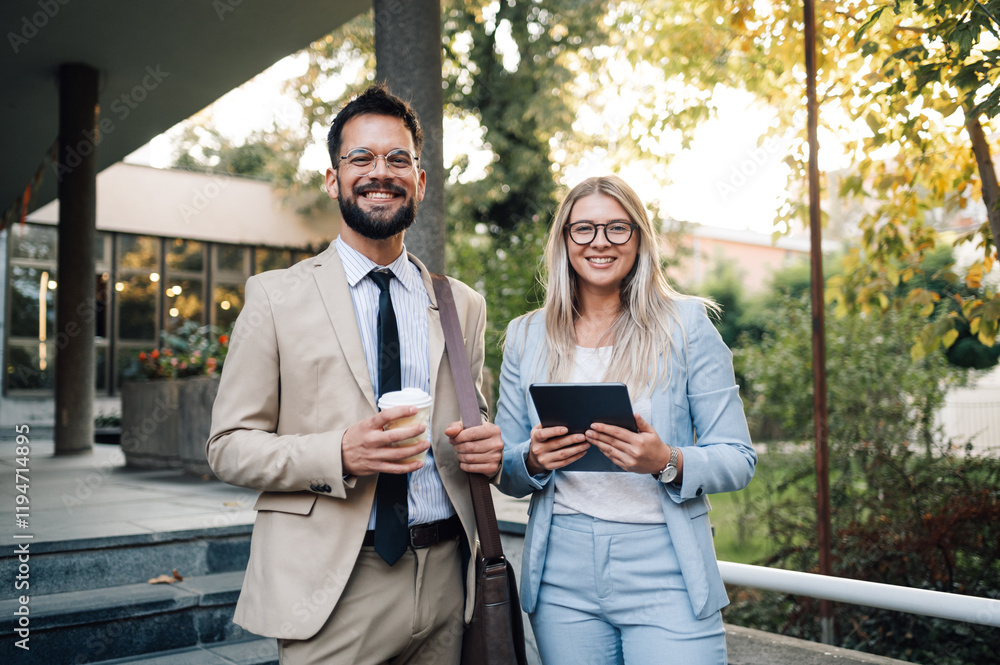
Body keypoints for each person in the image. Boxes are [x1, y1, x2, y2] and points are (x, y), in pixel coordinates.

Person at [207, 83, 504, 665]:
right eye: (361, 159)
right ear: (332, 178)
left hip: (446, 578)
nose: (380, 173)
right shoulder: (274, 298)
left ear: (420, 180)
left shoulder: (461, 304)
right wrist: (338, 453)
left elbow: (476, 421)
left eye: (399, 159)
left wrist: (485, 447)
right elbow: (228, 448)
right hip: (333, 588)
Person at [495, 175, 756, 665]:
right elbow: (507, 470)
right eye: (584, 229)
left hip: (666, 566)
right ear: (564, 239)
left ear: (639, 238)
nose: (600, 242)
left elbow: (738, 458)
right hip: (561, 573)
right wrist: (532, 458)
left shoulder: (687, 327)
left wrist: (668, 460)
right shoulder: (526, 335)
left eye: (617, 228)